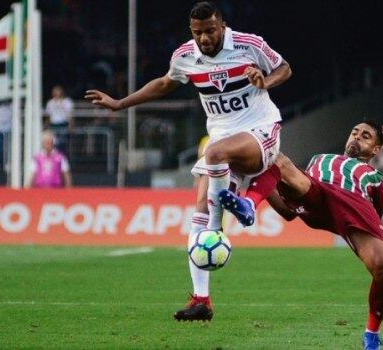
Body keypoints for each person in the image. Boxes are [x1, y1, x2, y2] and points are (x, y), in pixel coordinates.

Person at [85, 1, 291, 321]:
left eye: (210, 30)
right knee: (202, 214)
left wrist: (266, 80)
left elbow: (284, 68)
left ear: (222, 26)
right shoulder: (185, 56)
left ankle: (218, 225)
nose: (204, 38)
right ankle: (201, 300)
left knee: (213, 155)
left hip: (260, 131)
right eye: (198, 33)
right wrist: (120, 104)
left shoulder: (249, 45)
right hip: (222, 138)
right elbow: (166, 83)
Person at [219, 121, 383, 350]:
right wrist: (261, 182)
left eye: (366, 136)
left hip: (351, 205)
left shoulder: (377, 177)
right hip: (317, 192)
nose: (357, 137)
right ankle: (249, 204)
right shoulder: (319, 159)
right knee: (274, 157)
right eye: (354, 132)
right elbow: (288, 213)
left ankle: (371, 335)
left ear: (376, 149)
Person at [45, 85, 74, 155]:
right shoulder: (50, 103)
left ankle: (63, 158)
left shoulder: (67, 102)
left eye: (58, 91)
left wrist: (71, 125)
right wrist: (46, 126)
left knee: (63, 143)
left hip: (63, 124)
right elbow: (48, 116)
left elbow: (70, 115)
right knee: (54, 143)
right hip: (54, 125)